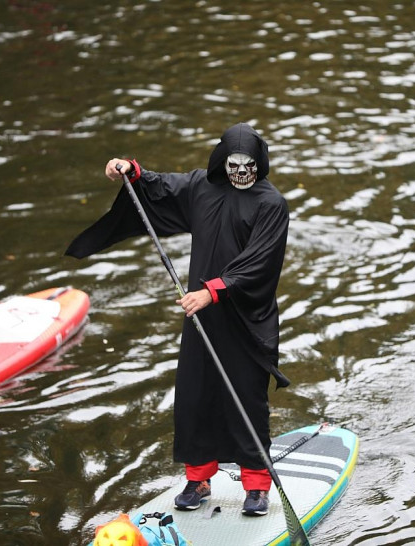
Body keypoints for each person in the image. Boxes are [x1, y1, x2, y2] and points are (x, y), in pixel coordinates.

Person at [66, 123, 290, 517]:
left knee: (246, 401)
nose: (241, 172)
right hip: (200, 318)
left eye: (248, 165)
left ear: (260, 164)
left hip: (245, 319)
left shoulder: (271, 203)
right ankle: (199, 478)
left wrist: (213, 290)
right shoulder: (202, 186)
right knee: (195, 396)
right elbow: (160, 187)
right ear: (222, 160)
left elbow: (261, 262)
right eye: (234, 163)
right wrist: (130, 170)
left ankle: (256, 486)